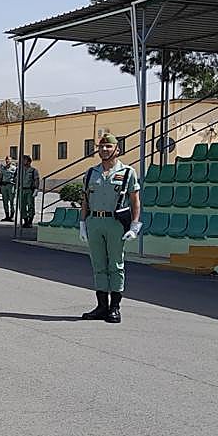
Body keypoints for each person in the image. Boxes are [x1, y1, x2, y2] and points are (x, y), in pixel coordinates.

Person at [79, 133, 141, 324]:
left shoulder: (128, 172)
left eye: (108, 147)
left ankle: (115, 307)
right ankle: (101, 306)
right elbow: (85, 201)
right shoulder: (91, 173)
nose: (104, 150)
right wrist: (82, 223)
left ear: (117, 149)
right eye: (101, 147)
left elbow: (135, 201)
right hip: (95, 221)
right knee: (98, 265)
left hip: (115, 223)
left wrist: (134, 225)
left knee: (116, 264)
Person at [17, 155, 40, 226]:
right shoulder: (20, 170)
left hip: (29, 190)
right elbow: (17, 179)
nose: (23, 161)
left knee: (30, 205)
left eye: (25, 160)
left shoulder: (33, 170)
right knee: (22, 206)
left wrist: (36, 189)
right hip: (22, 189)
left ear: (29, 161)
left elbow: (36, 180)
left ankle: (30, 220)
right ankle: (25, 220)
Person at [0, 158, 17, 222]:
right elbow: (0, 177)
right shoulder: (3, 168)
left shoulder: (14, 168)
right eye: (6, 160)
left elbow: (16, 177)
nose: (7, 161)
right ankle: (7, 216)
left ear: (11, 160)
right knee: (5, 202)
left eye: (8, 159)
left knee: (12, 201)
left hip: (11, 185)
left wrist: (16, 186)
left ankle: (11, 216)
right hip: (4, 186)